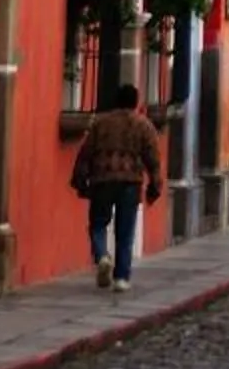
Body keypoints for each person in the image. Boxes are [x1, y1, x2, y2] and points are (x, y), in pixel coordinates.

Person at [70, 84, 163, 292]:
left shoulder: (100, 124)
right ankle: (121, 277)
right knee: (125, 231)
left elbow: (85, 153)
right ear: (135, 102)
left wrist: (79, 180)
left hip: (102, 179)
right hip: (130, 182)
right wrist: (155, 185)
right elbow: (153, 158)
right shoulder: (143, 125)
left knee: (98, 224)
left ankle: (102, 255)